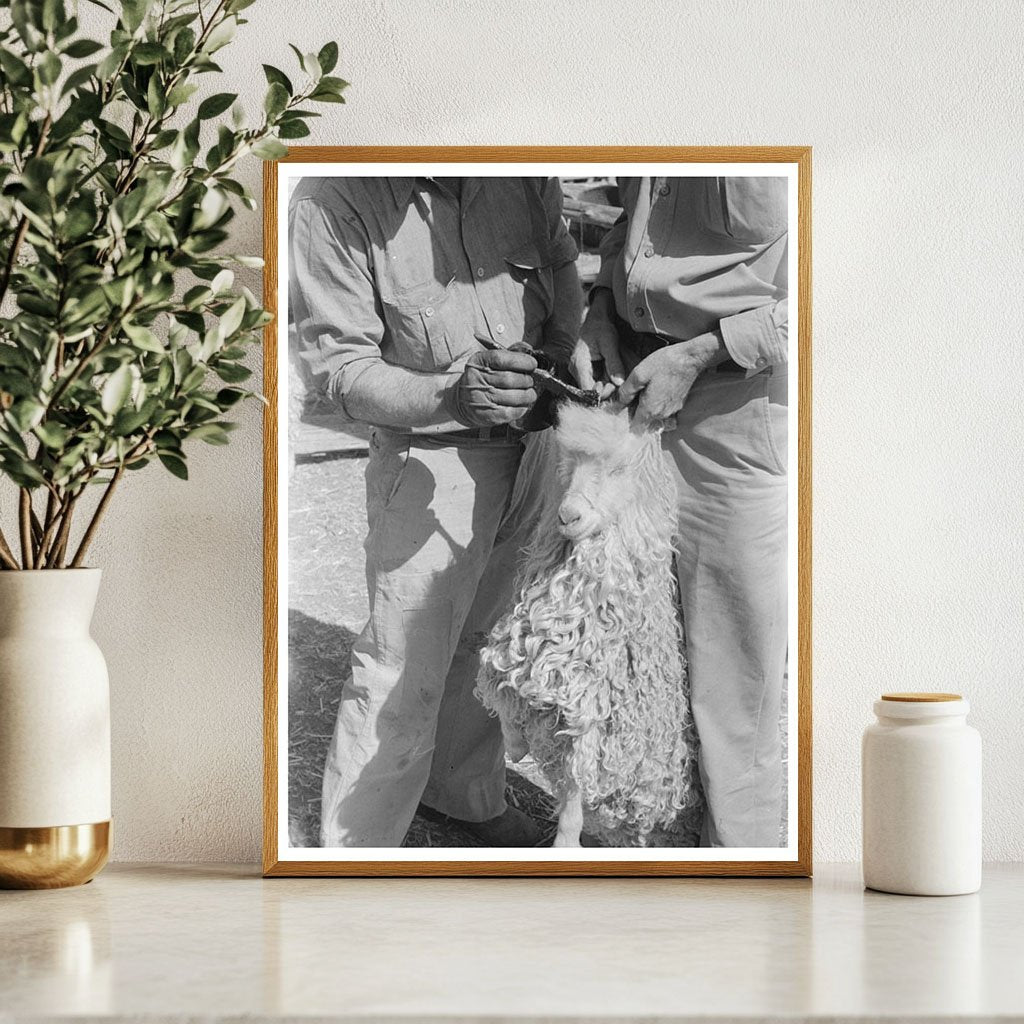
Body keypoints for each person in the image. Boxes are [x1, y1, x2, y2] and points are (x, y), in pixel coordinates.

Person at [289, 176, 581, 847]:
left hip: (536, 442)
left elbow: (563, 265)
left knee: (490, 639)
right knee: (399, 664)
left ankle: (464, 798)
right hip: (430, 454)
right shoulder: (333, 201)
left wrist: (557, 354)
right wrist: (454, 397)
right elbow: (341, 371)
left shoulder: (521, 172)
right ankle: (356, 850)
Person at [572, 176, 789, 847]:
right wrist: (602, 307)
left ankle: (745, 867)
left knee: (731, 662)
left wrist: (701, 352)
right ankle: (646, 842)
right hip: (634, 388)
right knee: (626, 643)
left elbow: (850, 285)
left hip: (735, 400)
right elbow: (629, 232)